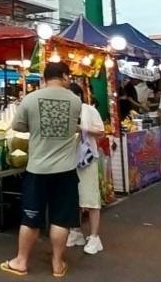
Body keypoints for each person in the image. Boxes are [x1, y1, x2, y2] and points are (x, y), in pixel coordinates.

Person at [0, 62, 82, 277]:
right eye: (69, 77)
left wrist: (35, 127)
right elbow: (74, 126)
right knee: (61, 218)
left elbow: (17, 126)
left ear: (45, 78)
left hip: (37, 168)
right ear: (63, 76)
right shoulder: (75, 100)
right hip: (66, 169)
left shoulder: (30, 99)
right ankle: (57, 263)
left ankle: (21, 261)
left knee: (31, 217)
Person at [66, 82, 106, 255]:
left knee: (91, 198)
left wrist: (83, 128)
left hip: (87, 159)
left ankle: (95, 237)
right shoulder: (63, 111)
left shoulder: (89, 110)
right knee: (72, 197)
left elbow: (101, 131)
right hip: (68, 160)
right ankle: (75, 232)